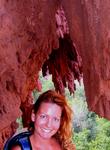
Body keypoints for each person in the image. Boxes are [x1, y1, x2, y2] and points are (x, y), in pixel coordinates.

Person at [6, 90, 76, 150]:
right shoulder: (21, 148)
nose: (48, 124)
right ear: (33, 116)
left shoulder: (63, 144)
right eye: (43, 116)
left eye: (55, 119)